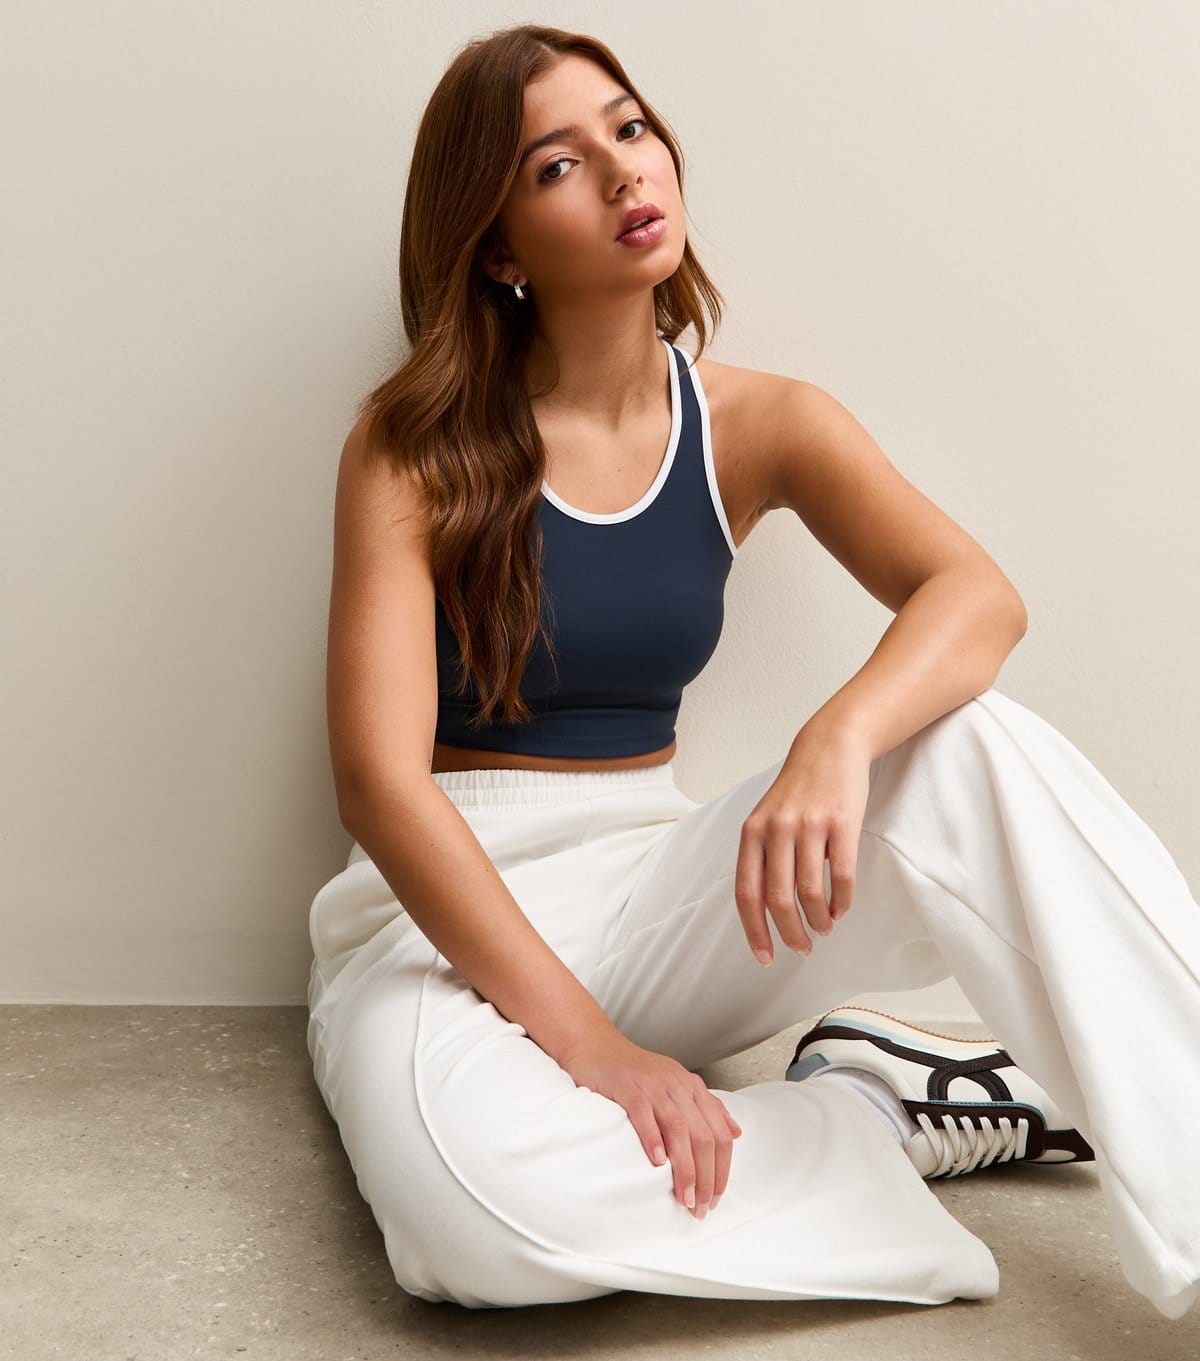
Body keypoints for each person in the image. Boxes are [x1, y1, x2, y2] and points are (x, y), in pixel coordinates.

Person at [305, 21, 1200, 1318]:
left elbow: (975, 595)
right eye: (557, 165)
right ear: (496, 248)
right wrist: (599, 1055)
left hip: (653, 891)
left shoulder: (758, 423)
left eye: (629, 128)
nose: (624, 171)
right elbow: (381, 786)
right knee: (477, 1222)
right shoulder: (411, 449)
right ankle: (873, 1110)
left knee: (972, 744)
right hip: (439, 914)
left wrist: (836, 738)